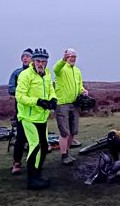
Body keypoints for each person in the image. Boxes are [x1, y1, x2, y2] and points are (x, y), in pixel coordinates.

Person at [15, 48, 57, 190]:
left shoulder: (47, 74)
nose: (41, 64)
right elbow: (20, 96)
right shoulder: (25, 75)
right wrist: (37, 101)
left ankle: (38, 174)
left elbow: (51, 89)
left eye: (43, 61)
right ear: (33, 61)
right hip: (28, 118)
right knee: (35, 146)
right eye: (38, 61)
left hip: (42, 117)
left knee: (44, 147)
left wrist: (53, 99)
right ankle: (32, 180)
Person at [53, 48, 88, 165]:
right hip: (62, 104)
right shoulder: (61, 69)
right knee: (64, 132)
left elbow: (79, 85)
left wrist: (83, 90)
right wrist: (63, 60)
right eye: (70, 56)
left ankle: (67, 152)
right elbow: (55, 68)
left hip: (75, 104)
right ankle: (63, 155)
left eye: (74, 57)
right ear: (66, 57)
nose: (72, 59)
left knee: (73, 131)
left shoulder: (77, 71)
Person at [8, 48, 33, 175]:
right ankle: (16, 163)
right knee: (21, 138)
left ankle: (33, 163)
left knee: (35, 138)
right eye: (23, 56)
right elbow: (11, 89)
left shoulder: (38, 73)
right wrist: (23, 91)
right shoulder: (17, 73)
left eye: (27, 56)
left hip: (36, 110)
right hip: (21, 110)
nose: (25, 58)